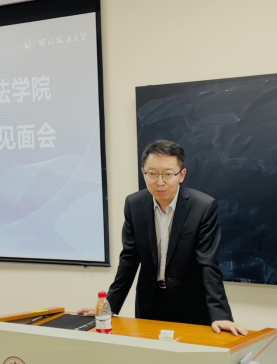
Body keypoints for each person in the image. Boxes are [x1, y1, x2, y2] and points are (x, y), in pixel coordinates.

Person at [78, 140, 247, 336]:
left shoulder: (202, 207)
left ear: (181, 175)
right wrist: (110, 306)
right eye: (152, 174)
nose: (159, 182)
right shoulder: (134, 204)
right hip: (150, 301)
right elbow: (129, 259)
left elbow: (207, 264)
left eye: (167, 174)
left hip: (190, 302)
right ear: (143, 173)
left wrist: (221, 314)